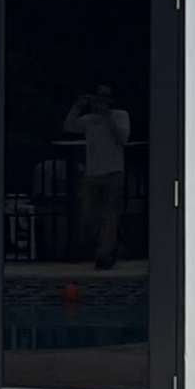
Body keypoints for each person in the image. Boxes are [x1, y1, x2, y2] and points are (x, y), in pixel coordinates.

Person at [65, 82, 133, 267]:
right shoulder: (89, 120)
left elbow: (122, 139)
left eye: (105, 97)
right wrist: (78, 106)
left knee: (110, 216)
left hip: (113, 172)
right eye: (98, 97)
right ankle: (110, 247)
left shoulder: (120, 115)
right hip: (93, 173)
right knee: (89, 215)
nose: (101, 101)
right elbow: (69, 126)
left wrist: (107, 117)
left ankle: (104, 255)